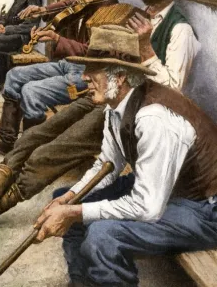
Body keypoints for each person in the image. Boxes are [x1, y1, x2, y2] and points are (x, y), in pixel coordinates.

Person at [0, 0, 199, 229]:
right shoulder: (142, 17)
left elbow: (173, 90)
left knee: (53, 151)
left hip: (134, 110)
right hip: (111, 95)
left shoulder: (181, 30)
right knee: (36, 135)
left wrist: (144, 47)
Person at [32, 25, 217, 287]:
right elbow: (107, 166)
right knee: (63, 198)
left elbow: (147, 207)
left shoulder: (154, 117)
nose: (84, 77)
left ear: (119, 77)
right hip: (167, 190)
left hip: (204, 208)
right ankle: (82, 283)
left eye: (92, 71)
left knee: (103, 235)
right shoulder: (116, 105)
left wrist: (75, 211)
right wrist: (71, 197)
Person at [0, 0, 118, 153]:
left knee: (31, 91)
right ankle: (7, 140)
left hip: (90, 74)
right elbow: (70, 4)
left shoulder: (110, 10)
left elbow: (93, 53)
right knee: (15, 75)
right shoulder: (89, 0)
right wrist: (42, 10)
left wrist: (56, 38)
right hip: (70, 63)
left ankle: (30, 149)